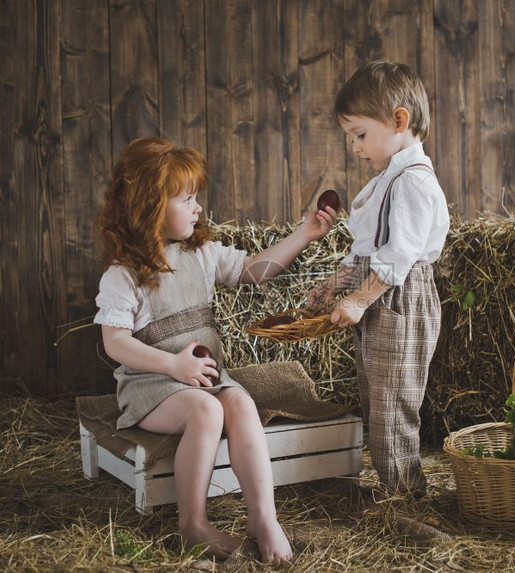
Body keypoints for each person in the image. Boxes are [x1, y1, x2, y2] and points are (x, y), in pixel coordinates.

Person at [94, 137, 337, 563]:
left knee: (240, 403)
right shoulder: (124, 275)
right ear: (149, 205)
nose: (198, 208)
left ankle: (263, 517)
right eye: (186, 198)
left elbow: (253, 271)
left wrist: (306, 233)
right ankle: (193, 525)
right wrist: (173, 364)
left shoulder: (200, 253)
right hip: (152, 384)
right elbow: (115, 343)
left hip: (205, 377)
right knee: (206, 411)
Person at [308, 61, 450, 497]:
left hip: (401, 299)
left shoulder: (413, 182)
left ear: (399, 120)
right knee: (376, 397)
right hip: (381, 297)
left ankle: (406, 498)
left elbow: (400, 256)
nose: (354, 147)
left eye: (360, 134)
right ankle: (394, 487)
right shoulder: (389, 180)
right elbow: (367, 251)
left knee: (393, 405)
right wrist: (334, 286)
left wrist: (357, 301)